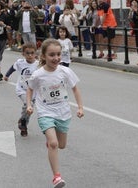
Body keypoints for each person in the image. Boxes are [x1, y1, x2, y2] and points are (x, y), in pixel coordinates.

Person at [26, 38, 84, 188]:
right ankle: (57, 177)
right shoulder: (38, 74)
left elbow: (75, 89)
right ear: (43, 56)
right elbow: (30, 89)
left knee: (62, 145)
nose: (56, 58)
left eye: (58, 54)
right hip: (45, 112)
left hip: (63, 113)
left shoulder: (65, 71)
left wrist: (80, 107)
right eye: (52, 55)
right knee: (53, 144)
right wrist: (29, 105)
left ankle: (52, 142)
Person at [4, 43, 39, 136]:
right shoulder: (20, 62)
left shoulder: (38, 64)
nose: (30, 55)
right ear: (23, 54)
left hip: (34, 92)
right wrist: (7, 75)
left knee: (29, 109)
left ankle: (23, 123)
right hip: (22, 90)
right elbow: (13, 68)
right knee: (28, 104)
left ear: (36, 53)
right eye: (27, 53)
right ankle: (23, 123)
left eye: (32, 53)